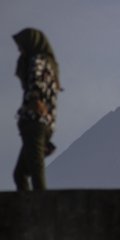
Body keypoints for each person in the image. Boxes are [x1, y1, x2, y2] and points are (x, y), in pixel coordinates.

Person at [13, 28, 61, 191]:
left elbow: (35, 82)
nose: (20, 50)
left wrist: (34, 99)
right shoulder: (51, 65)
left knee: (35, 170)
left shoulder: (37, 60)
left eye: (22, 46)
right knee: (20, 174)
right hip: (44, 124)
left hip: (35, 122)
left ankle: (41, 208)